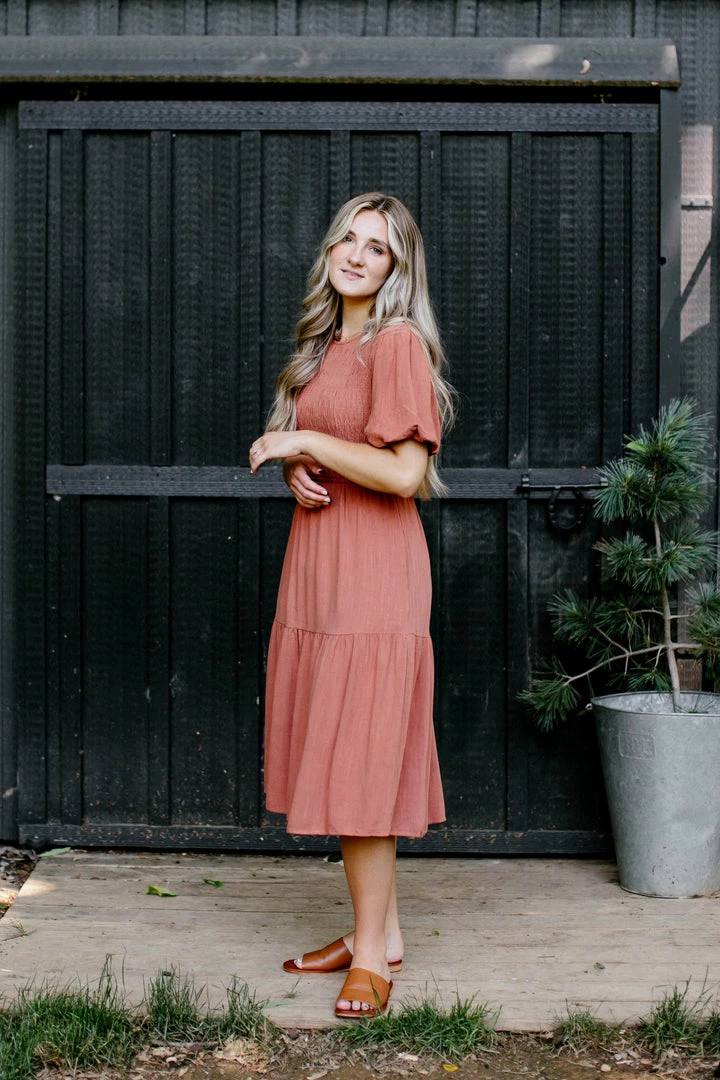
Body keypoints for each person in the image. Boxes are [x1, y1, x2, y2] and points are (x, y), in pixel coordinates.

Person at [249, 192, 454, 1019]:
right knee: (342, 745)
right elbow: (344, 449)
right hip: (322, 561)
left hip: (375, 570)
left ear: (399, 270)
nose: (358, 256)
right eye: (349, 240)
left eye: (379, 248)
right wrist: (306, 474)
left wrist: (303, 443)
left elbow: (405, 473)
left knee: (364, 755)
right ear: (331, 250)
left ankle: (372, 958)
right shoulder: (328, 343)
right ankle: (386, 932)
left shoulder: (396, 342)